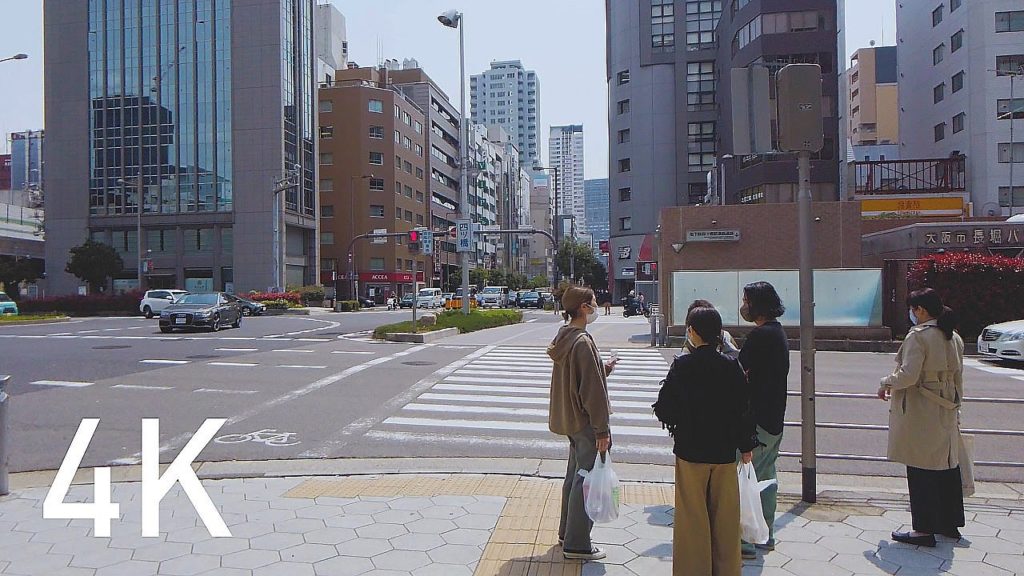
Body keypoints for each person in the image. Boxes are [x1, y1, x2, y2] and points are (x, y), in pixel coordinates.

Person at [654, 306, 757, 576]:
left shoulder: (682, 365)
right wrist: (746, 446)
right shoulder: (731, 365)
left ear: (692, 332)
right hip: (724, 453)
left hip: (690, 450)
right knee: (725, 519)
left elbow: (664, 408)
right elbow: (743, 409)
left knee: (692, 518)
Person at [879, 288, 965, 547]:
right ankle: (949, 524)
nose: (912, 315)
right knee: (947, 466)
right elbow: (959, 377)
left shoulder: (919, 337)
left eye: (914, 310)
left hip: (921, 409)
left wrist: (885, 382)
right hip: (946, 407)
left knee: (920, 468)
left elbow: (908, 375)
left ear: (921, 310)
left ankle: (923, 530)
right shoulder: (954, 337)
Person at [547, 286, 618, 561]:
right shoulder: (583, 342)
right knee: (586, 480)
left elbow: (580, 378)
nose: (596, 306)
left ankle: (567, 532)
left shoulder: (565, 337)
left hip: (570, 420)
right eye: (593, 303)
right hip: (586, 422)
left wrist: (604, 368)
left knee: (575, 476)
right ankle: (577, 543)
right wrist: (602, 429)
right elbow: (592, 391)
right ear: (584, 308)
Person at [737, 281, 789, 559]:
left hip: (756, 419)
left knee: (745, 479)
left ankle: (745, 541)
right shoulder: (778, 333)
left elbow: (739, 371)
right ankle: (765, 535)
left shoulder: (760, 336)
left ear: (757, 304)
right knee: (766, 478)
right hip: (774, 418)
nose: (743, 305)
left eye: (746, 300)